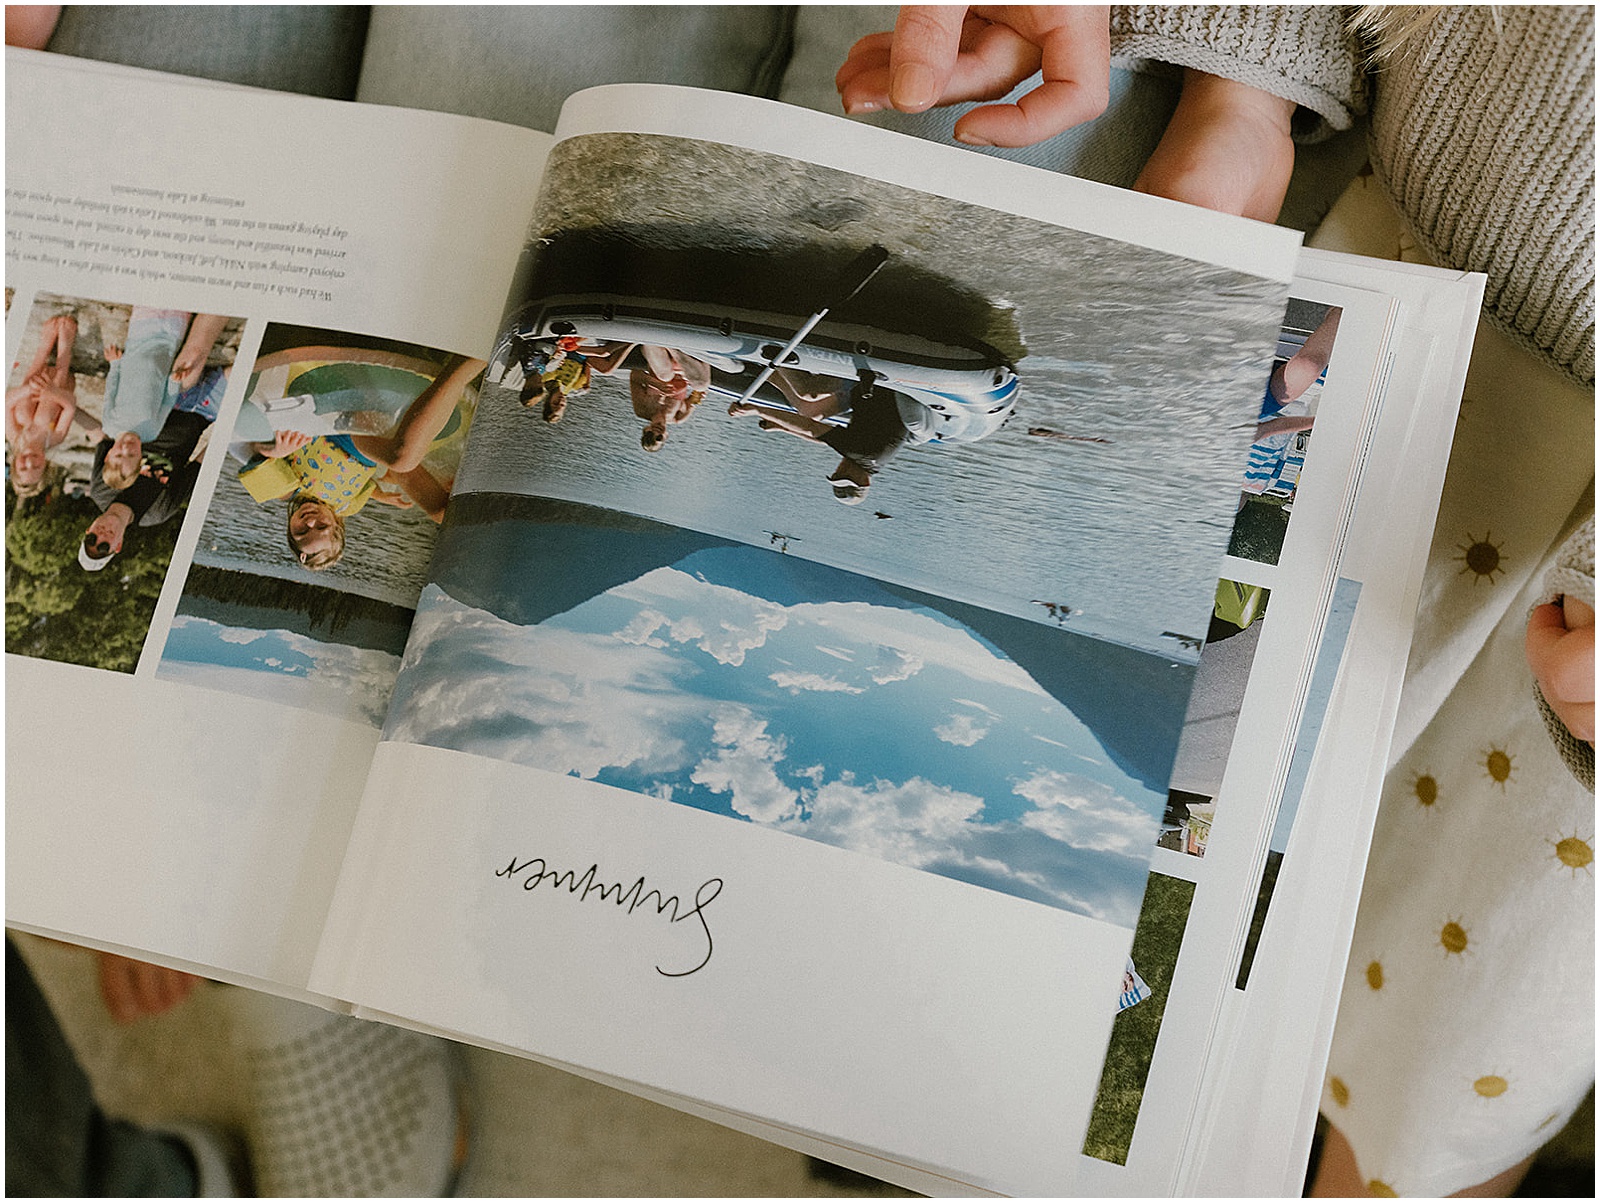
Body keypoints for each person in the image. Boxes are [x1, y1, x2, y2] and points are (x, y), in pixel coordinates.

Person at [840, 6, 1593, 1197]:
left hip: (1556, 750)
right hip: (1395, 302)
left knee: (1454, 1039)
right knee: (1130, 858)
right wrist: (1239, 93)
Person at [236, 352, 485, 568]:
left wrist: (275, 452)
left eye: (301, 531)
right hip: (369, 448)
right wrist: (384, 496)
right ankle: (482, 515)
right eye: (320, 527)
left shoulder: (286, 491)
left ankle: (463, 368)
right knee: (440, 510)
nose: (310, 520)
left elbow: (254, 453)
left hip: (340, 428)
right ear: (337, 526)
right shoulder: (348, 507)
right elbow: (364, 488)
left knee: (401, 459)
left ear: (291, 528)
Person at [729, 366, 940, 503]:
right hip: (876, 384)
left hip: (864, 396)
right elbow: (813, 430)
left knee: (809, 410)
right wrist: (757, 410)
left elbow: (822, 440)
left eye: (837, 476)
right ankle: (776, 355)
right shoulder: (862, 454)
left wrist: (782, 427)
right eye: (846, 477)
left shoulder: (871, 461)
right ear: (865, 482)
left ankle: (771, 373)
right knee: (807, 391)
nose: (840, 471)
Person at [6, 311, 99, 495]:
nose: (30, 462)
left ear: (15, 464)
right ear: (46, 465)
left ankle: (45, 345)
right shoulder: (54, 438)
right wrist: (51, 392)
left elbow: (5, 404)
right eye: (36, 467)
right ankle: (65, 345)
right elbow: (70, 405)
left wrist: (29, 390)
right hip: (61, 382)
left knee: (23, 413)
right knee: (44, 418)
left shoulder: (14, 437)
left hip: (36, 380)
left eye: (24, 468)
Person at [630, 344, 710, 451]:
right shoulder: (678, 417)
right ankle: (676, 348)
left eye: (650, 434)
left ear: (645, 430)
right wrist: (700, 393)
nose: (656, 432)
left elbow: (635, 375)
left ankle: (663, 343)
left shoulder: (642, 409)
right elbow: (697, 397)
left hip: (660, 364)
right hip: (684, 367)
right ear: (666, 436)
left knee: (665, 376)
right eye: (659, 437)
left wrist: (656, 384)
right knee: (702, 385)